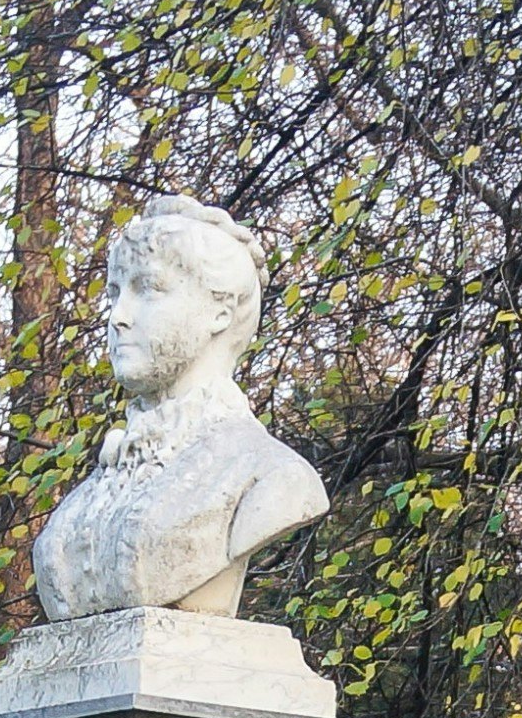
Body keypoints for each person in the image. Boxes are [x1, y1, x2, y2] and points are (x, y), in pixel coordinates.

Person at [27, 197, 329, 624]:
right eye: (115, 292)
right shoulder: (109, 469)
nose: (118, 317)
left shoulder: (270, 474)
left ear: (220, 311)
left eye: (148, 288)